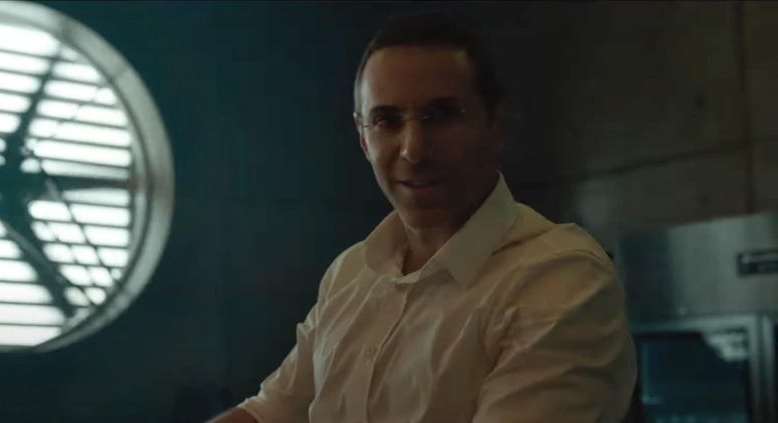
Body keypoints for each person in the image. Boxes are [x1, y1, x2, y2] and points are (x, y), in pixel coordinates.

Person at [209, 11, 636, 423]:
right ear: (363, 139)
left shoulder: (560, 280)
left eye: (442, 115)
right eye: (386, 120)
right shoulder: (350, 274)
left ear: (495, 123)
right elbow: (271, 413)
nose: (414, 149)